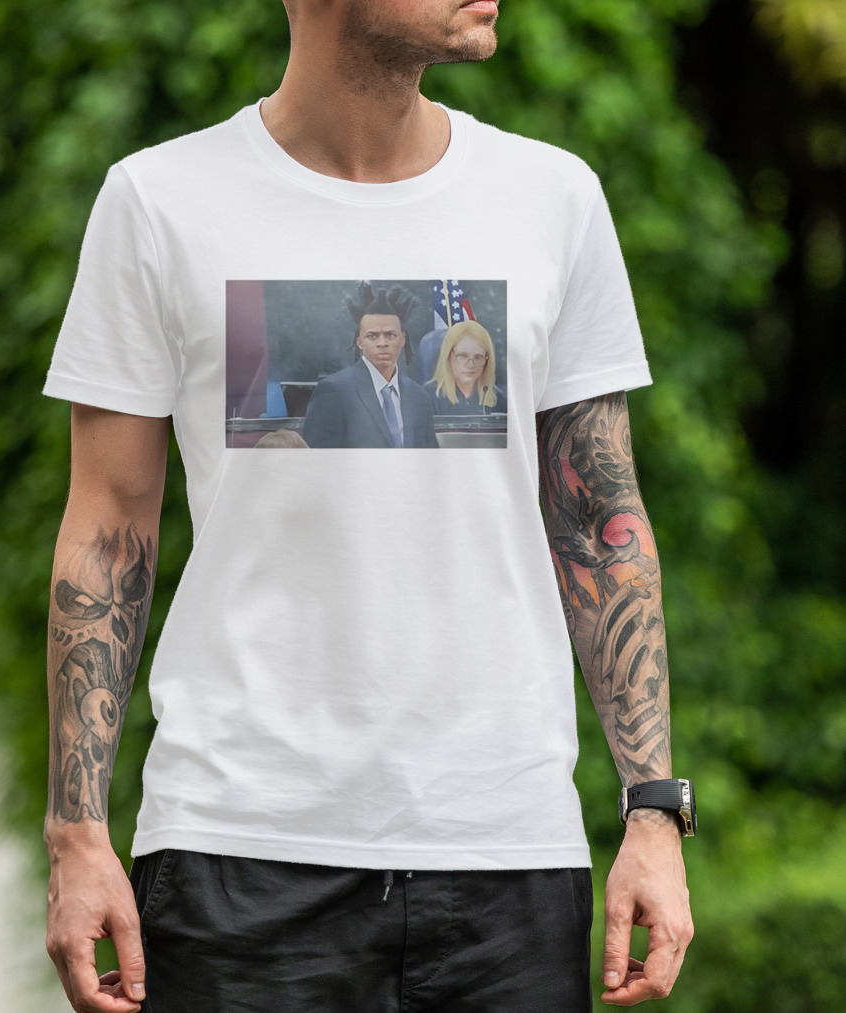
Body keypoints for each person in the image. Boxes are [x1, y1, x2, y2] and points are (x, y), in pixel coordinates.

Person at [43, 2, 694, 1012]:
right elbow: (107, 527)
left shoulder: (553, 197)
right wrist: (76, 833)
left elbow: (600, 522)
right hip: (237, 850)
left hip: (506, 854)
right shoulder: (158, 201)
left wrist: (653, 807)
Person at [302, 284, 439, 448]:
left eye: (390, 335)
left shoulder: (418, 397)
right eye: (372, 336)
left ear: (402, 339)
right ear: (359, 342)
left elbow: (430, 457)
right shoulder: (334, 391)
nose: (382, 343)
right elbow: (319, 459)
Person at [425, 319, 507, 415]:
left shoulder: (498, 399)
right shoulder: (427, 397)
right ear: (448, 356)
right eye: (463, 356)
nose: (471, 365)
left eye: (478, 357)